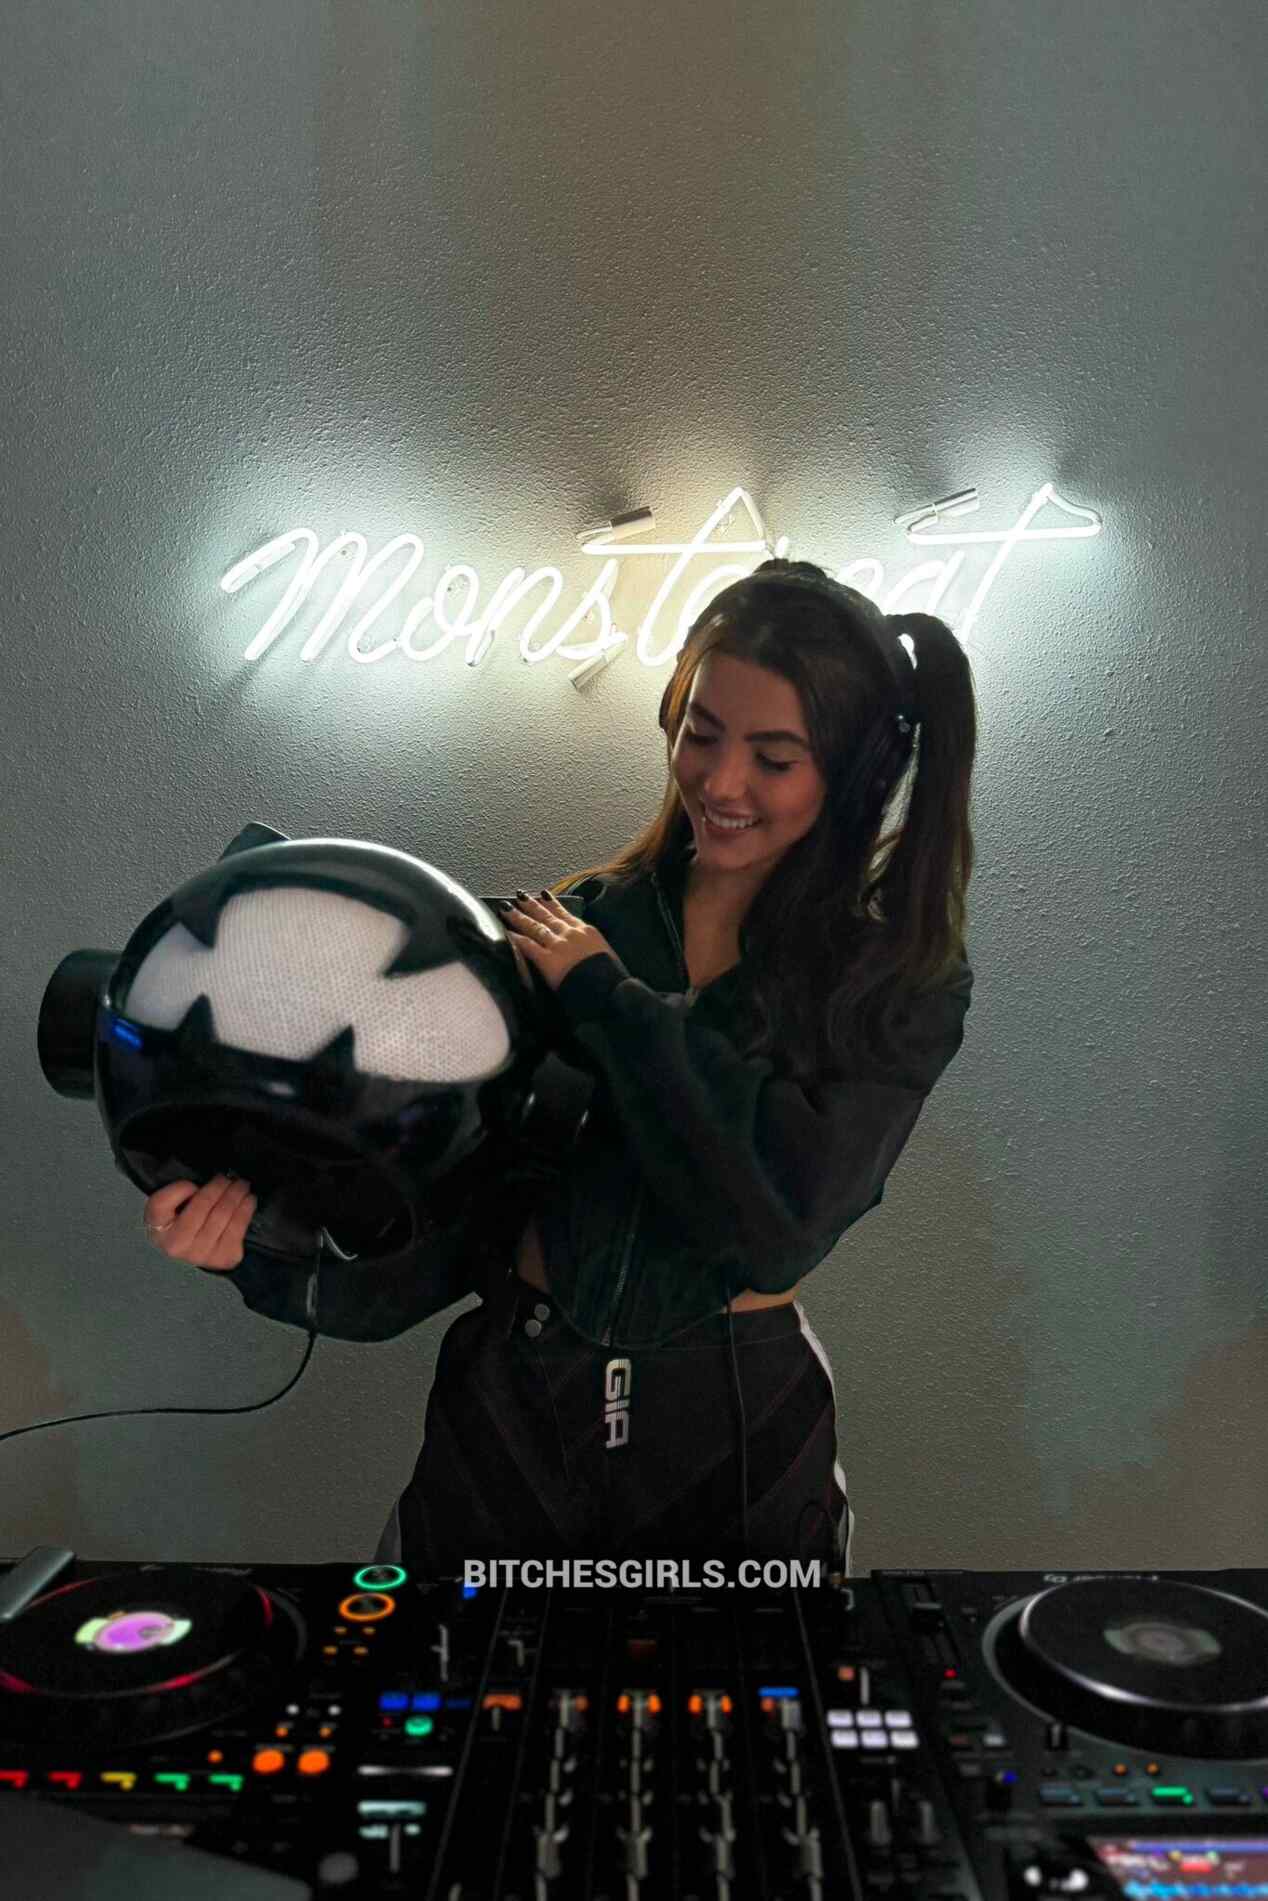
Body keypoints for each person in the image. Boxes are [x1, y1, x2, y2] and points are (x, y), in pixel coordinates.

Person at [142, 559, 976, 1578]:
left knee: (741, 1683)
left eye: (773, 758)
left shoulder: (891, 984)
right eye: (701, 733)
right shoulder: (561, 930)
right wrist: (255, 1248)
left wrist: (605, 1000)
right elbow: (443, 1239)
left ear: (853, 773)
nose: (721, 783)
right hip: (508, 1412)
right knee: (448, 1675)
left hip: (734, 1425)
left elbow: (776, 1222)